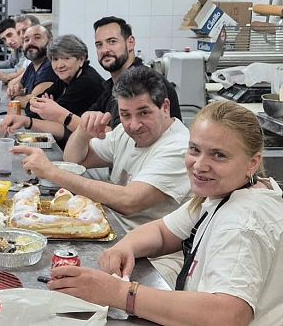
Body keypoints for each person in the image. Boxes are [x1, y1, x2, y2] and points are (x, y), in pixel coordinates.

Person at [45, 101, 283, 326]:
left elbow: (228, 315)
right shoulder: (224, 193)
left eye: (219, 156)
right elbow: (163, 231)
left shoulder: (244, 223)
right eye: (195, 150)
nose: (199, 165)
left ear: (252, 163)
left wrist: (121, 294)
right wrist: (125, 247)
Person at [14, 66, 190, 285]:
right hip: (115, 235)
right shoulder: (125, 133)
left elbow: (129, 201)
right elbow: (75, 160)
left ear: (165, 107)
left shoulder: (178, 147)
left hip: (155, 262)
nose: (134, 125)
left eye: (144, 113)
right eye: (125, 115)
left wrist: (51, 171)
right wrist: (83, 132)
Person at [6, 16, 181, 138]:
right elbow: (79, 126)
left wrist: (62, 115)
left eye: (112, 42)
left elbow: (115, 137)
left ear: (130, 43)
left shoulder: (143, 82)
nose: (105, 49)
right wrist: (26, 121)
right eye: (99, 44)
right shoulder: (110, 86)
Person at [1, 35, 104, 147]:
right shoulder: (67, 78)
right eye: (55, 59)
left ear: (81, 60)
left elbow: (47, 117)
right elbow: (33, 106)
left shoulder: (86, 82)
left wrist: (48, 112)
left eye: (66, 58)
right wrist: (46, 111)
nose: (59, 65)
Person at [8, 24, 58, 106]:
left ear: (50, 42)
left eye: (37, 38)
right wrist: (17, 91)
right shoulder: (32, 65)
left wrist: (15, 98)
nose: (30, 42)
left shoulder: (51, 67)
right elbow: (16, 86)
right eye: (26, 40)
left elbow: (32, 103)